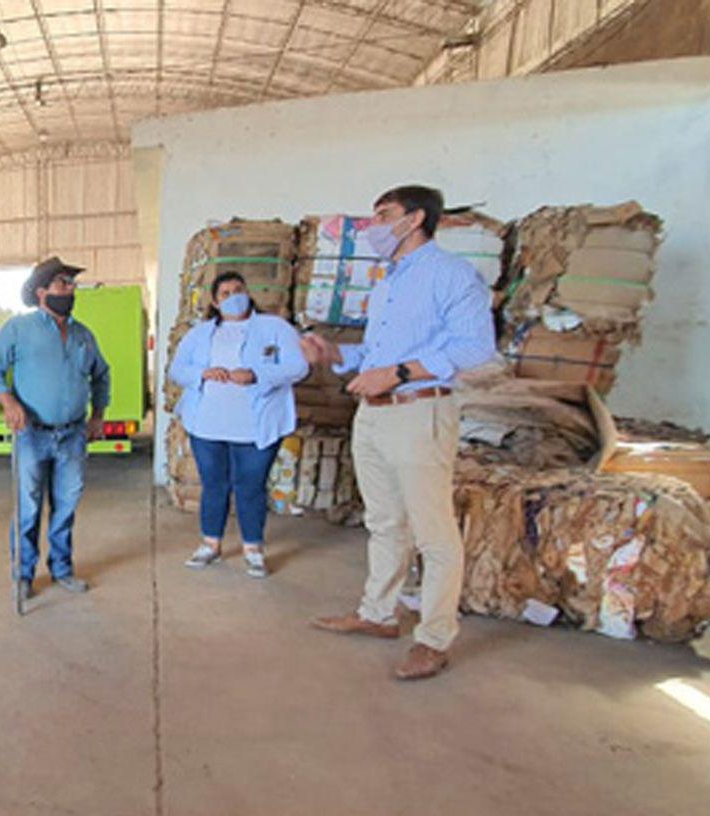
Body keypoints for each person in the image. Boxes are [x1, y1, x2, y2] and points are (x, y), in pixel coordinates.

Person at [301, 185, 495, 681]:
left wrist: (402, 373)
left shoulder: (451, 275)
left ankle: (433, 638)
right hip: (374, 415)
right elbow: (375, 355)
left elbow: (475, 349)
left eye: (383, 215)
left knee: (434, 534)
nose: (374, 227)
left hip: (419, 412)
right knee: (384, 521)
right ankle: (378, 613)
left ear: (414, 220)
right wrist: (335, 354)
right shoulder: (387, 281)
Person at [0, 257, 110, 609]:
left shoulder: (84, 335)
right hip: (32, 435)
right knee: (28, 507)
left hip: (72, 435)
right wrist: (7, 400)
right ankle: (23, 575)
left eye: (72, 284)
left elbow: (101, 375)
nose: (71, 290)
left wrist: (98, 414)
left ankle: (62, 569)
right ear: (42, 292)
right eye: (63, 283)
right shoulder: (19, 329)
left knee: (66, 504)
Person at [168, 271, 309, 577]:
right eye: (225, 293)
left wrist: (257, 374)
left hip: (257, 426)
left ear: (248, 292)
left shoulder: (276, 328)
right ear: (215, 302)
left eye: (238, 289)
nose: (233, 296)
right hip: (207, 424)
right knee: (214, 485)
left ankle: (253, 548)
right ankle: (211, 544)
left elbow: (298, 366)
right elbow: (177, 370)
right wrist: (203, 373)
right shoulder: (200, 333)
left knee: (250, 486)